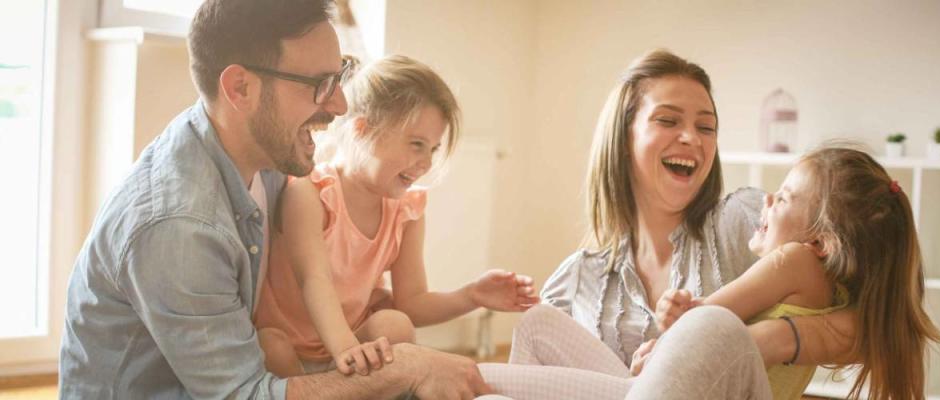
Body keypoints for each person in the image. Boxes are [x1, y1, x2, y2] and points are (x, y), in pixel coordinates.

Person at [58, 0, 492, 398]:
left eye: (339, 76)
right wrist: (404, 369)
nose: (341, 105)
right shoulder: (181, 225)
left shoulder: (262, 153)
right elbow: (243, 394)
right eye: (320, 84)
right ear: (240, 89)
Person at [477, 49, 858, 400]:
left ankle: (464, 374)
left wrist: (773, 338)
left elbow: (878, 320)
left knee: (478, 381)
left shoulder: (747, 221)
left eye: (706, 127)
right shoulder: (576, 278)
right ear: (623, 138)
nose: (691, 138)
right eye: (668, 120)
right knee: (533, 328)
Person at [253, 55, 539, 378]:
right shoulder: (310, 193)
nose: (426, 163)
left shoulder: (407, 211)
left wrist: (472, 295)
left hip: (348, 351)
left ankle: (341, 387)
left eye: (432, 149)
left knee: (396, 325)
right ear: (363, 130)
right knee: (269, 345)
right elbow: (313, 279)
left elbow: (412, 303)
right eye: (417, 144)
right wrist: (346, 347)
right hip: (293, 350)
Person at [654, 146, 940, 400]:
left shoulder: (795, 260)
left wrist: (671, 319)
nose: (767, 199)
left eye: (783, 199)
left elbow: (703, 321)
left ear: (818, 243)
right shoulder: (839, 296)